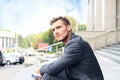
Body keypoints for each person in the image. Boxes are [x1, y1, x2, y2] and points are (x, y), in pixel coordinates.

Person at [33, 16, 104, 80]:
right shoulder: (73, 43)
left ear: (68, 27)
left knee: (48, 77)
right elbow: (59, 68)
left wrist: (40, 70)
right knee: (48, 75)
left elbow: (53, 68)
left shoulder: (75, 44)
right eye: (53, 30)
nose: (55, 32)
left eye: (58, 27)